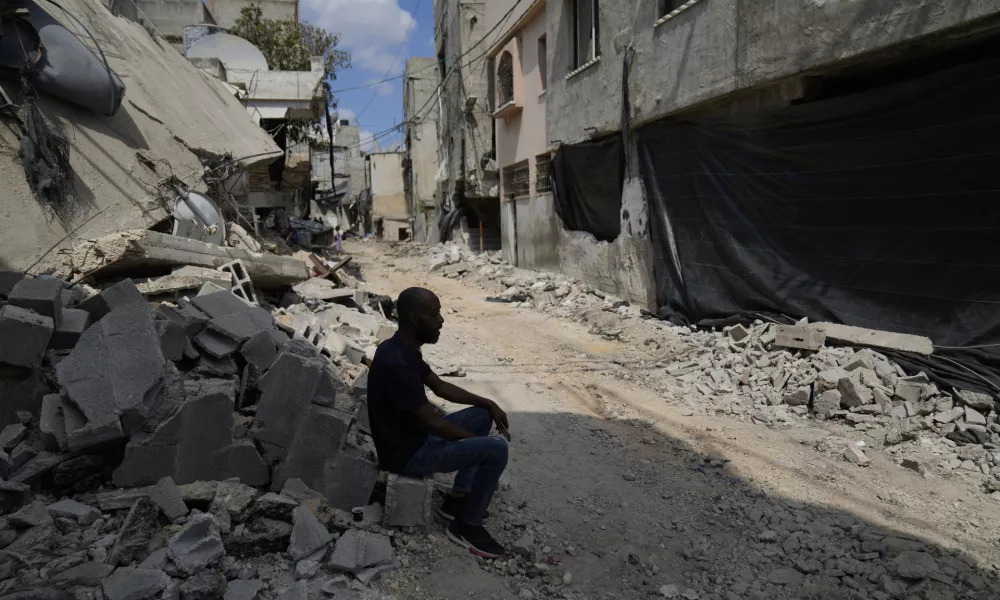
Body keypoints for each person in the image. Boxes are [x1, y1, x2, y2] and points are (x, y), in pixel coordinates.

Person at [367, 287, 510, 558]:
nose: (441, 320)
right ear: (414, 318)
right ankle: (467, 526)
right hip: (406, 455)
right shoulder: (394, 361)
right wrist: (478, 445)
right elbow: (434, 422)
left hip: (417, 438)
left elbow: (441, 387)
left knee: (481, 415)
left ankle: (458, 500)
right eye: (434, 314)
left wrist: (489, 403)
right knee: (497, 449)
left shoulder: (405, 349)